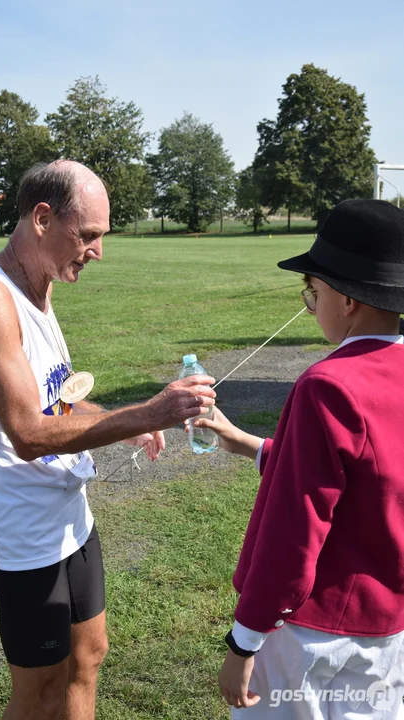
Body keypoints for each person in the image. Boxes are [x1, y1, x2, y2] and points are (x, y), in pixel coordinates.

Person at [0, 159, 216, 720]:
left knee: (88, 657)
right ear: (42, 218)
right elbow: (27, 432)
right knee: (40, 688)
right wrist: (147, 414)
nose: (96, 251)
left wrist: (124, 425)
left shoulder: (38, 287)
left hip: (70, 513)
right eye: (88, 235)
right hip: (21, 530)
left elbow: (56, 401)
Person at [194, 199, 404, 718]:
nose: (312, 305)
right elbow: (368, 479)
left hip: (311, 637)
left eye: (313, 293)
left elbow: (295, 528)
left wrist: (245, 640)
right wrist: (244, 441)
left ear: (348, 299)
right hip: (389, 632)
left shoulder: (328, 385)